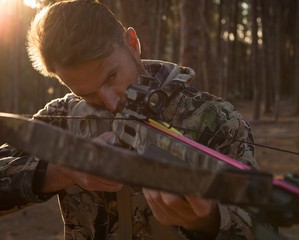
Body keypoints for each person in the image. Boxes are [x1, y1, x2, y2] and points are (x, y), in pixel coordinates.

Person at [0, 0, 259, 239]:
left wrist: (206, 221)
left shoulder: (214, 118)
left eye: (112, 76)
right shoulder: (62, 117)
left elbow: (256, 223)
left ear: (132, 43)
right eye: (86, 94)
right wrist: (62, 171)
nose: (111, 103)